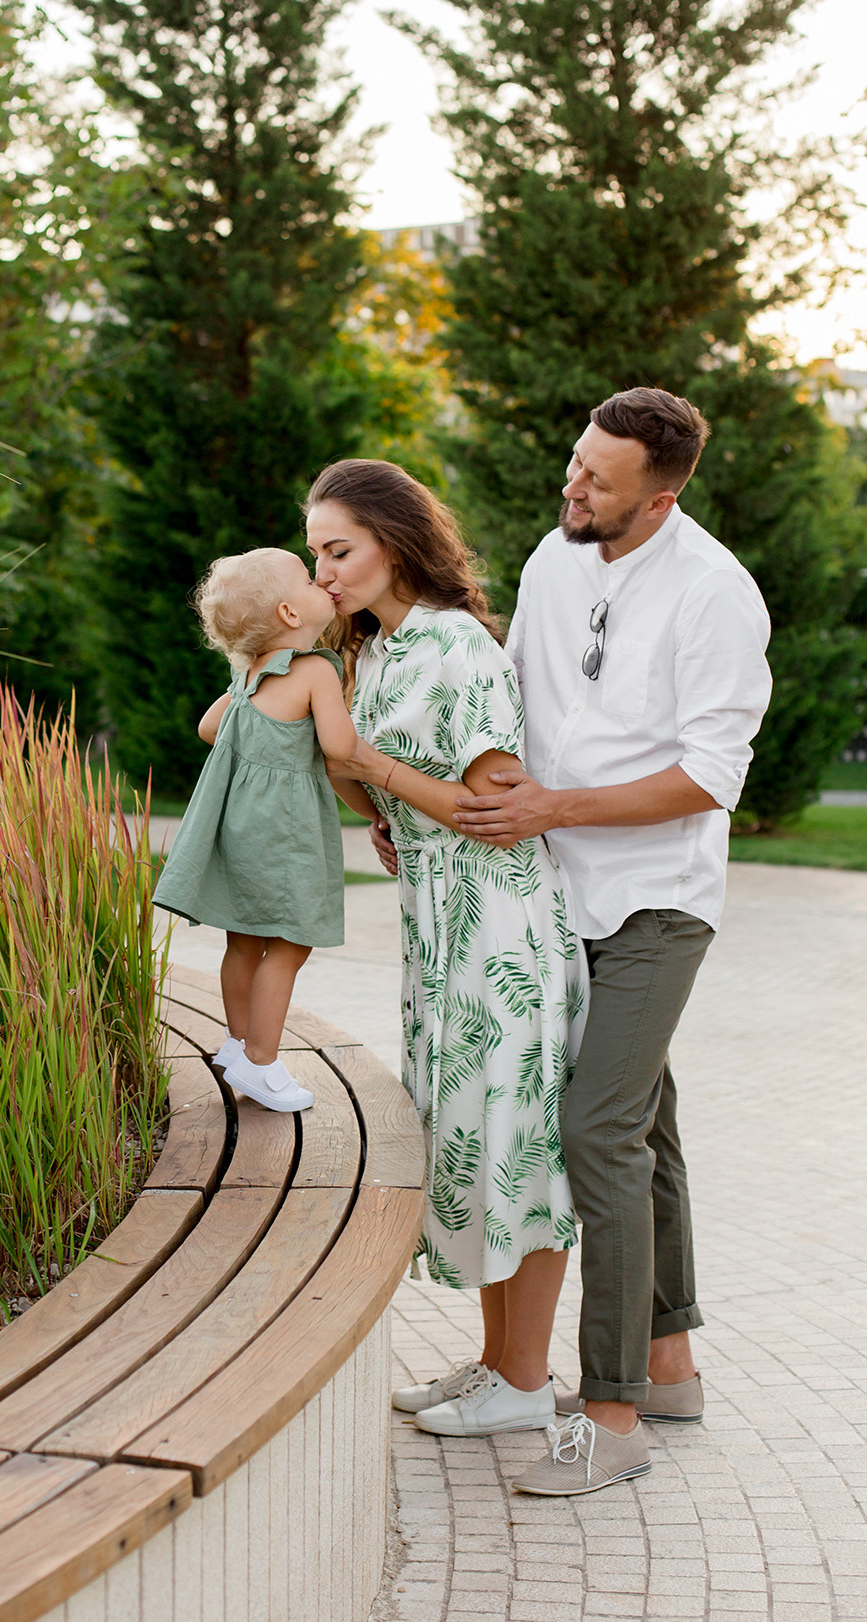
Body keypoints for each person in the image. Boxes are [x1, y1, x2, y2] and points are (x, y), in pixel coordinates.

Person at [437, 387, 772, 1493]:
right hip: (549, 893)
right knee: (644, 1125)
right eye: (575, 462)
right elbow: (519, 697)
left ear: (660, 495)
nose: (572, 486)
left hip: (655, 901)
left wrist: (554, 810)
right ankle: (669, 1361)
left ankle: (615, 1412)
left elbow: (707, 780)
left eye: (597, 479)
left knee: (596, 1129)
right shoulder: (552, 555)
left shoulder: (716, 594)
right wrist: (453, 805)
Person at [308, 458, 589, 1440]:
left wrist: (374, 768)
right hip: (440, 926)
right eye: (316, 553)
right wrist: (375, 800)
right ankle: (499, 1366)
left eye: (338, 549)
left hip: (499, 925)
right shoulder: (374, 650)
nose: (325, 571)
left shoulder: (457, 644)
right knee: (474, 1149)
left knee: (520, 1147)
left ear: (394, 540)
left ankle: (523, 1376)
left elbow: (494, 806)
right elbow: (373, 782)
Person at [152, 546, 359, 1114]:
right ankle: (262, 1062)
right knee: (290, 943)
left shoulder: (245, 675)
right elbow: (340, 750)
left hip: (240, 829)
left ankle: (237, 1043)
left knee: (244, 940)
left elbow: (207, 727)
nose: (322, 582)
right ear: (292, 615)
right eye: (308, 580)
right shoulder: (315, 671)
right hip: (285, 833)